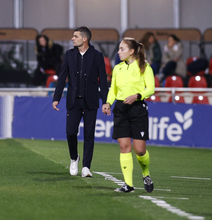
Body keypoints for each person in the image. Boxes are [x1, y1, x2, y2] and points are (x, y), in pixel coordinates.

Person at [52, 26, 108, 178]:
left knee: (89, 134)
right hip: (73, 101)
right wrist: (56, 97)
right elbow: (62, 77)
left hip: (91, 101)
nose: (72, 38)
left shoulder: (97, 56)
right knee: (71, 132)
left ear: (85, 39)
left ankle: (86, 167)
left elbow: (103, 80)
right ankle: (74, 158)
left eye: (75, 36)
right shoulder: (69, 55)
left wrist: (106, 101)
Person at [102, 37, 155, 193]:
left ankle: (146, 174)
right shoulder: (117, 68)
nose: (119, 52)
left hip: (138, 109)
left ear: (132, 51)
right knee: (124, 147)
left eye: (122, 49)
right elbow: (113, 89)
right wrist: (108, 103)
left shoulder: (144, 67)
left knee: (139, 150)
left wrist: (137, 96)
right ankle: (128, 185)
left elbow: (151, 88)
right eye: (119, 49)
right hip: (120, 109)